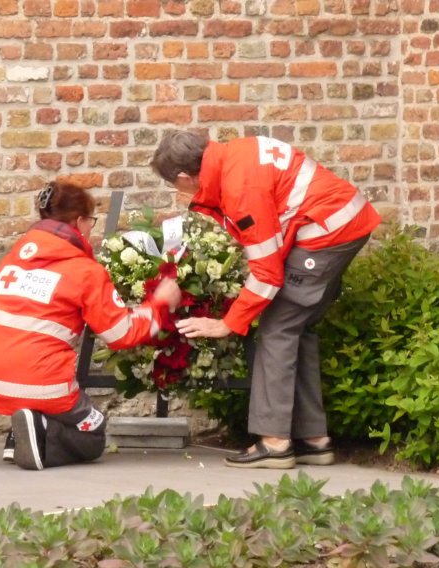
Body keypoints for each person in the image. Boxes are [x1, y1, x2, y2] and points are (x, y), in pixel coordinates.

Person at [152, 131, 381, 469]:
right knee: (296, 327)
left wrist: (228, 324)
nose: (180, 192)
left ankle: (275, 442)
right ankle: (313, 440)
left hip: (325, 232)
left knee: (277, 328)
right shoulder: (236, 155)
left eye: (177, 186)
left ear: (185, 176)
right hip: (339, 223)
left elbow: (267, 272)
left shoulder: (240, 187)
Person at [0, 181, 182, 471]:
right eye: (90, 221)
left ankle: (20, 434)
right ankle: (41, 437)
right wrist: (161, 303)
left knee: (36, 383)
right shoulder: (85, 271)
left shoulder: (13, 258)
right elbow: (122, 333)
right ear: (79, 221)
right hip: (42, 386)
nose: (91, 228)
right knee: (94, 433)